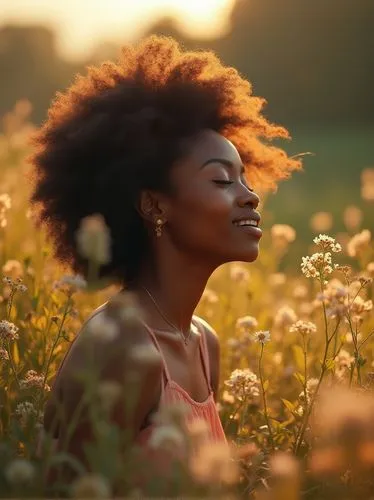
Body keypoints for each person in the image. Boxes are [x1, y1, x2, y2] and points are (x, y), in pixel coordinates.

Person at [29, 35, 301, 492]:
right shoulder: (119, 347)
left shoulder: (202, 344)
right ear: (154, 206)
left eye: (246, 178)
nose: (250, 195)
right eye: (220, 179)